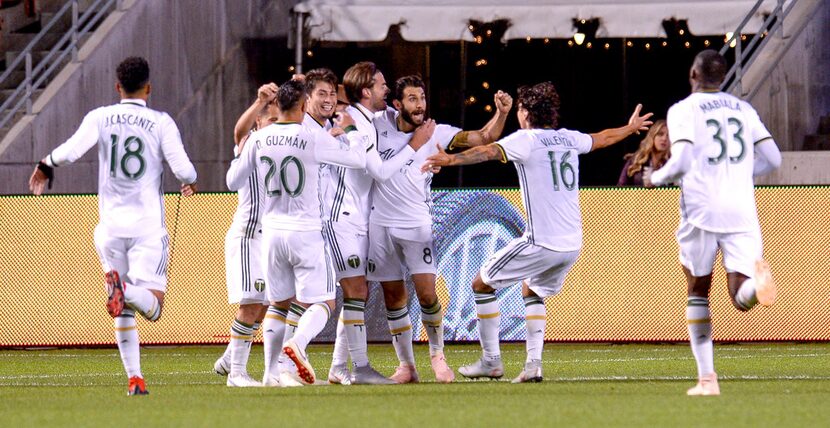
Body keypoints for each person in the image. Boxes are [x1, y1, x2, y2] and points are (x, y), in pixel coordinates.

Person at [423, 81, 652, 383]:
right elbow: (603, 138)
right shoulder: (568, 138)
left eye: (519, 108)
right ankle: (533, 366)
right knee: (532, 291)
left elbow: (488, 151)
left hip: (541, 242)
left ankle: (491, 361)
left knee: (481, 284)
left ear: (527, 112)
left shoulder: (526, 139)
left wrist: (452, 159)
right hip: (572, 243)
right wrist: (629, 127)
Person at [28, 57, 198, 395]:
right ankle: (123, 291)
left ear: (117, 87)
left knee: (123, 310)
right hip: (147, 228)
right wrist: (189, 180)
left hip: (109, 229)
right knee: (153, 306)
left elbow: (72, 151)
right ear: (148, 88)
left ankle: (135, 379)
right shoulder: (160, 121)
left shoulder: (101, 117)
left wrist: (46, 164)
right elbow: (184, 170)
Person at [643, 49, 781, 396]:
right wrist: (740, 175)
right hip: (742, 210)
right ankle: (757, 287)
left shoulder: (682, 110)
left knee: (698, 290)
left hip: (701, 209)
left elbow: (684, 158)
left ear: (693, 74)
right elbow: (774, 158)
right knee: (739, 295)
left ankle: (708, 380)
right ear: (723, 77)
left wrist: (656, 178)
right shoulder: (744, 109)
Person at [370, 74, 512, 384]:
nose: (419, 105)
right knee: (394, 297)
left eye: (421, 98)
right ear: (397, 104)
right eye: (412, 99)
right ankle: (406, 366)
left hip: (417, 224)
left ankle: (437, 356)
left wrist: (500, 113)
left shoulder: (438, 132)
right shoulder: (376, 123)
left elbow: (483, 138)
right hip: (379, 224)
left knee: (427, 295)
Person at [226, 79, 367, 385]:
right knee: (325, 302)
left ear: (278, 106)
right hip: (306, 231)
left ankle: (269, 374)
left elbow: (232, 180)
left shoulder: (259, 138)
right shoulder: (310, 136)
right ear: (303, 106)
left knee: (278, 303)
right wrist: (353, 132)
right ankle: (298, 343)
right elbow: (357, 160)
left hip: (273, 232)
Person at [324, 62, 434, 385]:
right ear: (367, 91)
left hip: (360, 218)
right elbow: (381, 171)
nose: (387, 89)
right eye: (382, 84)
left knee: (358, 292)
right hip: (342, 215)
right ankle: (353, 368)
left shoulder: (364, 119)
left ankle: (339, 367)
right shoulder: (356, 121)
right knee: (335, 294)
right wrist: (415, 147)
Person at [213, 82, 279, 387]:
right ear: (259, 122)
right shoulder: (251, 141)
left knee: (267, 303)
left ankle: (230, 357)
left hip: (270, 236)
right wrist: (259, 101)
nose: (275, 126)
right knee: (251, 303)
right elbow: (238, 133)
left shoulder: (280, 146)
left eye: (280, 120)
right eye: (271, 120)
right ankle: (237, 373)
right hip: (248, 234)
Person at [617, 119, 669, 186]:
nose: (664, 138)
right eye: (660, 134)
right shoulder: (634, 161)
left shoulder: (672, 164)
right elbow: (620, 189)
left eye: (668, 135)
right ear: (652, 136)